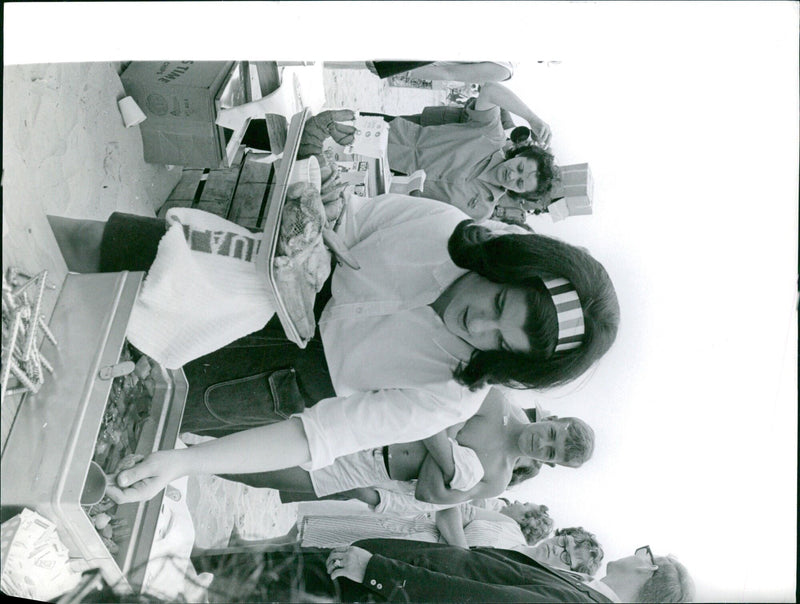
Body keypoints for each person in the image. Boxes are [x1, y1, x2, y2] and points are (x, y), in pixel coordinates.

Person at [62, 192, 617, 504]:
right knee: (92, 250)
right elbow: (339, 216)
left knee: (100, 393)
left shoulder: (452, 397)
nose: (478, 323)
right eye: (497, 304)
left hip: (274, 379)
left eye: (500, 343)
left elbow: (318, 435)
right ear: (506, 267)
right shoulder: (441, 226)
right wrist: (315, 212)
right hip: (252, 277)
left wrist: (185, 462)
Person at [213, 388, 594, 507]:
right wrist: (455, 465)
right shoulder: (495, 401)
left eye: (549, 452)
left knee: (261, 477)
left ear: (550, 463)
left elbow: (428, 493)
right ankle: (184, 428)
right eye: (553, 435)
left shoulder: (497, 479)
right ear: (555, 420)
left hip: (370, 470)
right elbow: (429, 419)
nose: (542, 442)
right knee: (256, 423)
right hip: (368, 427)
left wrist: (447, 439)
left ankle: (186, 455)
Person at [193, 540, 695, 603]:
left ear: (649, 568)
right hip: (375, 582)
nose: (637, 551)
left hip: (371, 590)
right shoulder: (584, 593)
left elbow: (482, 600)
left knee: (245, 580)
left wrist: (379, 574)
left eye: (645, 550)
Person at [383, 81, 557, 220]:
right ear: (520, 154)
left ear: (520, 194)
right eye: (520, 167)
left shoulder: (482, 211)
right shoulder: (491, 135)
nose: (512, 176)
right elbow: (490, 90)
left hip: (383, 191)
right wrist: (532, 119)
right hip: (388, 140)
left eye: (520, 183)